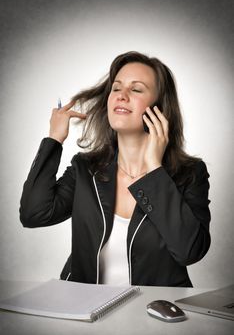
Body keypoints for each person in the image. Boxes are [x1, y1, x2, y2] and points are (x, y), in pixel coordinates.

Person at [20, 51, 211, 287]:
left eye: (136, 89)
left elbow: (190, 252)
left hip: (154, 313)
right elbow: (34, 214)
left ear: (159, 108)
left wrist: (154, 170)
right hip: (85, 310)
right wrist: (54, 140)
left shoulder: (190, 173)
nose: (121, 96)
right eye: (116, 88)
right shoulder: (86, 168)